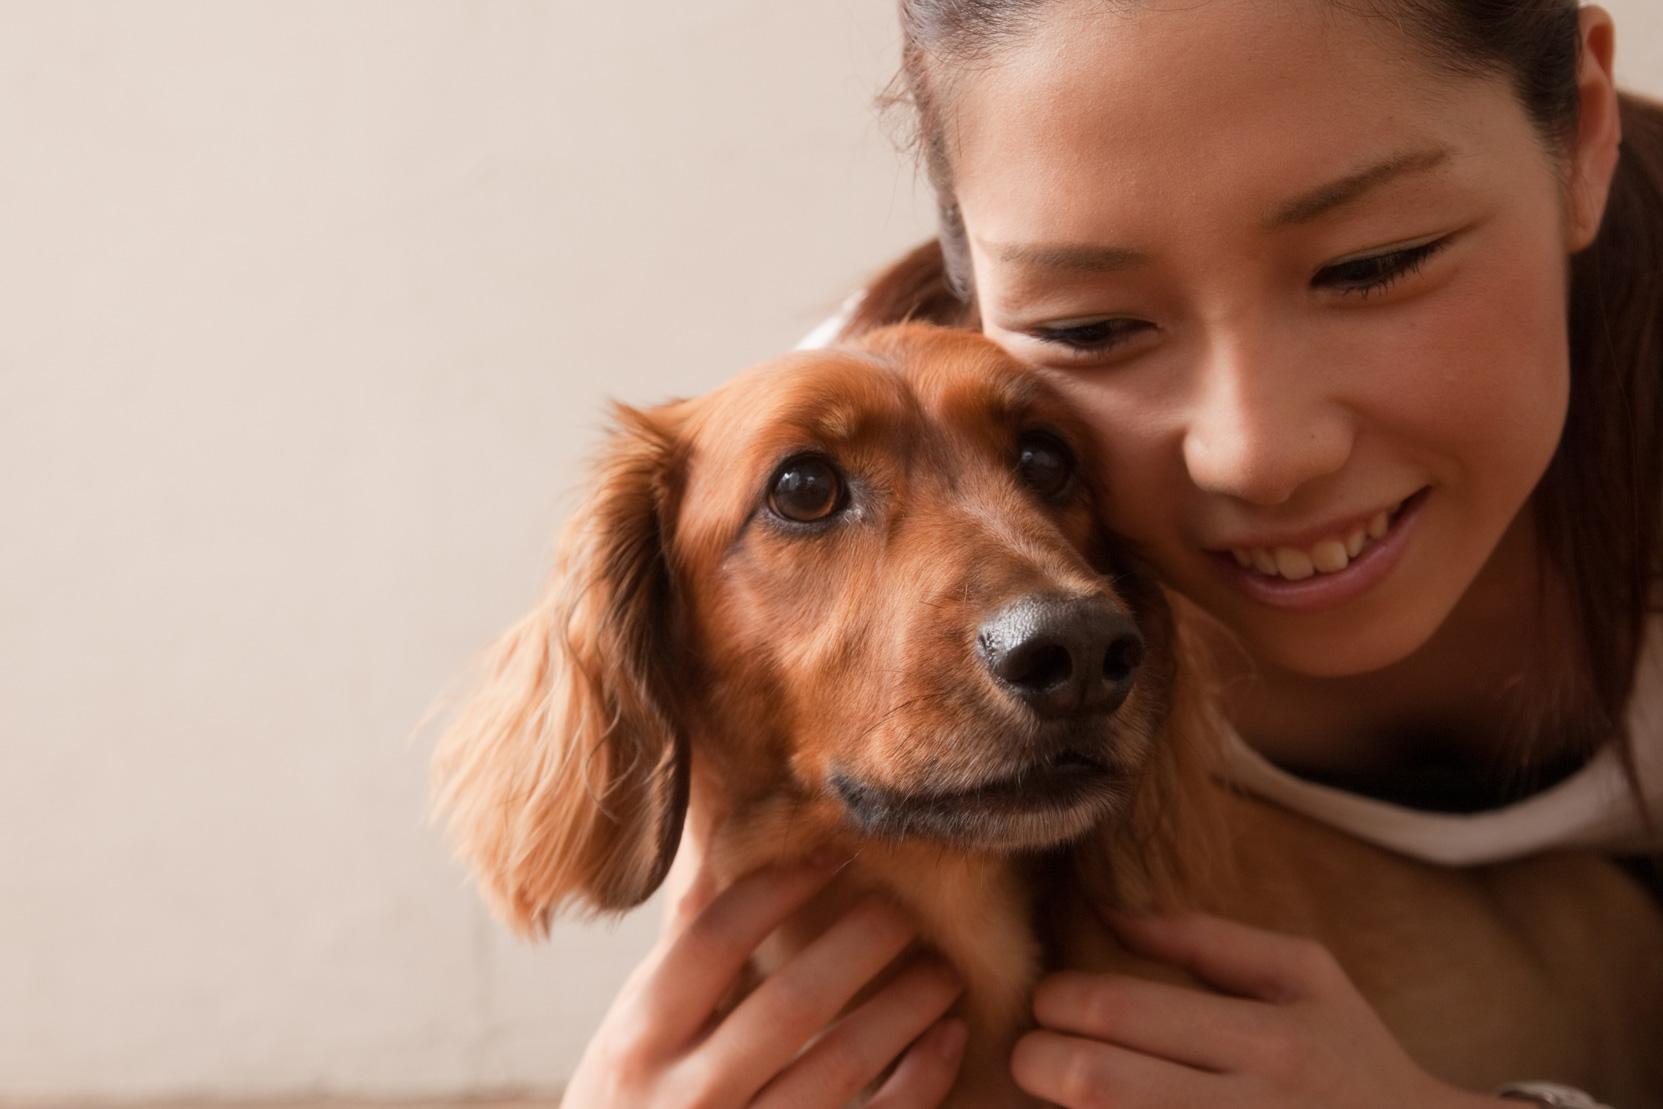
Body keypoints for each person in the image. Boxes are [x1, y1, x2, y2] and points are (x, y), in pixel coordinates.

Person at [557, 1, 1663, 1106]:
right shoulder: (818, 429)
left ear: (1575, 131)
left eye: (1375, 262)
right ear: (974, 281)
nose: (1258, 454)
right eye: (1089, 327)